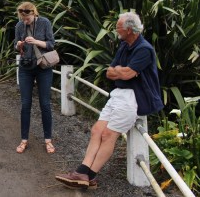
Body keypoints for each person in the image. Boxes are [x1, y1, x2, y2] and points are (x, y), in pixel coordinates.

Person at [55, 12, 164, 190]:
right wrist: (122, 71)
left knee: (108, 135)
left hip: (132, 97)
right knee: (97, 130)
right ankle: (82, 171)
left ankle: (88, 176)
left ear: (129, 30)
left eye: (119, 27)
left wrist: (121, 71)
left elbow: (127, 74)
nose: (116, 30)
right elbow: (109, 72)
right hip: (118, 94)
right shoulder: (124, 44)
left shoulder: (144, 49)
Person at [14, 2, 56, 154]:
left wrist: (36, 41)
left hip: (43, 68)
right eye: (23, 18)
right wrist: (19, 45)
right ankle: (24, 139)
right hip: (25, 68)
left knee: (45, 104)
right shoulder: (19, 26)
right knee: (25, 104)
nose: (25, 21)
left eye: (27, 18)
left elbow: (51, 44)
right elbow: (15, 46)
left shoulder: (44, 22)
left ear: (33, 13)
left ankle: (48, 140)